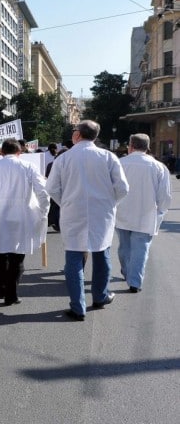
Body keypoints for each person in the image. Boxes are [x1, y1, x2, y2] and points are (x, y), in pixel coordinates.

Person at [46, 120, 129, 321]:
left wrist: (65, 202)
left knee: (74, 258)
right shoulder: (108, 157)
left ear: (77, 135)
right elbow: (123, 188)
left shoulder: (64, 158)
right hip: (102, 213)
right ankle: (100, 296)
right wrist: (109, 202)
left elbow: (51, 188)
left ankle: (78, 306)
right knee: (102, 253)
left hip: (73, 212)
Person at [0, 138, 49, 306]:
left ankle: (1, 287)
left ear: (2, 152)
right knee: (17, 256)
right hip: (22, 214)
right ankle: (11, 292)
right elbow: (42, 191)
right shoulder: (28, 167)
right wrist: (44, 211)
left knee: (1, 252)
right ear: (19, 152)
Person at [115, 133, 171, 293]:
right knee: (141, 249)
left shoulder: (120, 163)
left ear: (130, 146)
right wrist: (160, 211)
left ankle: (126, 271)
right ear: (147, 147)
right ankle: (135, 282)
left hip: (122, 213)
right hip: (146, 214)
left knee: (124, 247)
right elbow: (165, 196)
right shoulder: (159, 167)